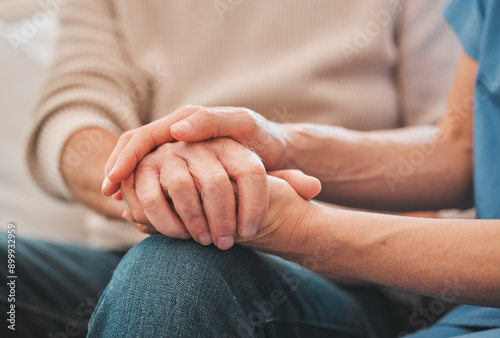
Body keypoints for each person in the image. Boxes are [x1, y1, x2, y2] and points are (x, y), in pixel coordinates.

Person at [0, 0, 465, 337]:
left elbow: (450, 152)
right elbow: (73, 115)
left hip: (335, 284)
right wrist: (155, 177)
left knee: (181, 272)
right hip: (133, 256)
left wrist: (274, 199)